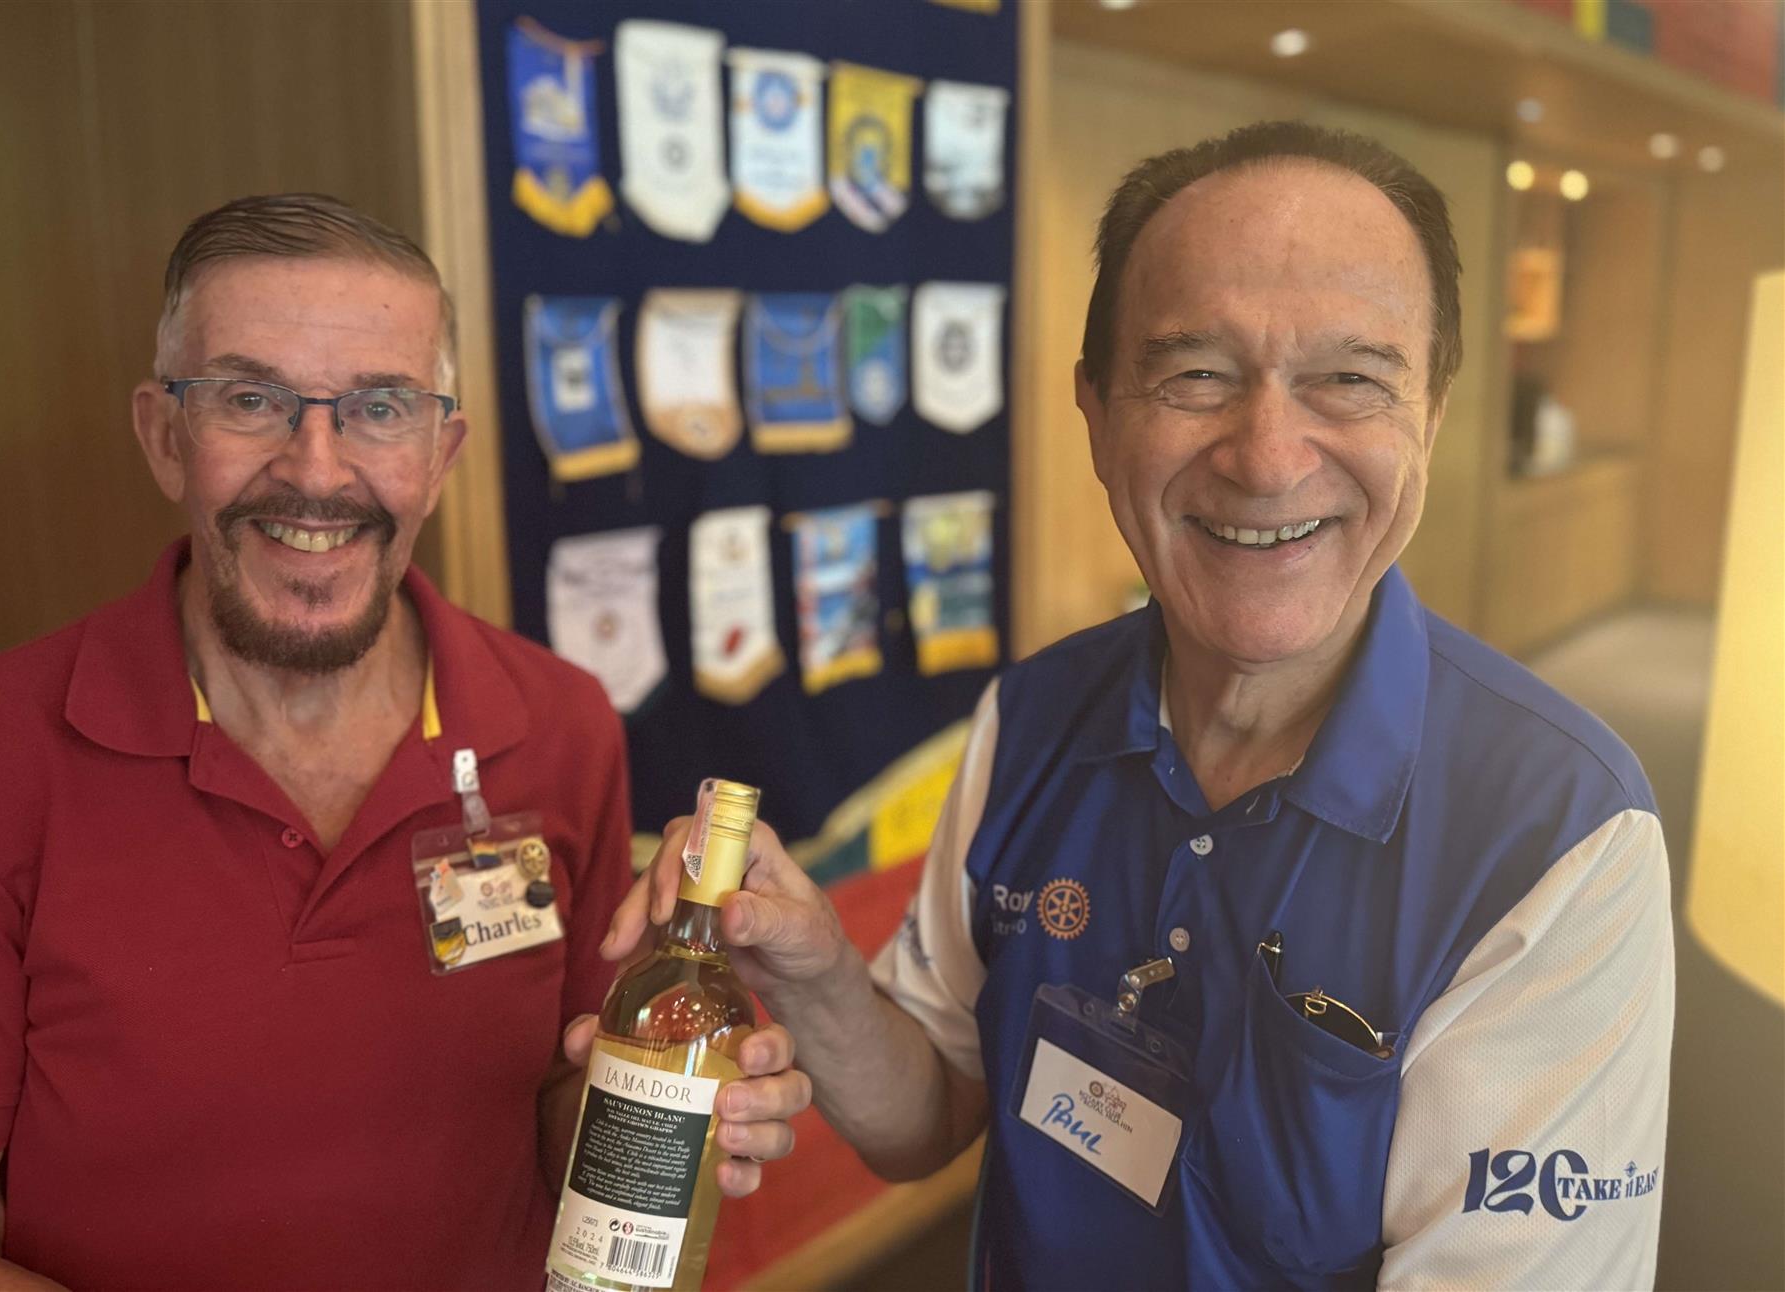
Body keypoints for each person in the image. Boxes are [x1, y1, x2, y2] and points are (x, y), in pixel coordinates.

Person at [608, 122, 1674, 1289]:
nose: (1267, 458)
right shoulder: (1032, 715)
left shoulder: (1560, 834)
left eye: (1351, 379)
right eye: (1196, 375)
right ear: (1099, 414)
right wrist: (814, 972)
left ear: (1431, 412)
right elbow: (930, 1113)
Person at [0, 194, 808, 1291]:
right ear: (164, 436)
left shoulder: (559, 722)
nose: (318, 470)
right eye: (252, 399)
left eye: (380, 408)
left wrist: (672, 1100)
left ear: (441, 452)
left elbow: (552, 1111)